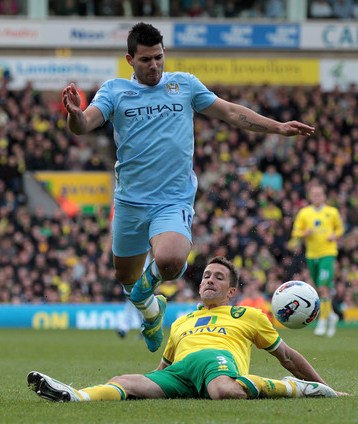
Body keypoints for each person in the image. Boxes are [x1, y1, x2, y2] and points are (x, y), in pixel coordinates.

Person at [61, 22, 315, 352]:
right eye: (145, 60)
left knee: (170, 260)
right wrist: (74, 114)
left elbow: (231, 112)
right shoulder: (114, 91)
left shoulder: (184, 85)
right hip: (130, 202)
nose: (153, 65)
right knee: (125, 275)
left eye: (158, 57)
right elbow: (84, 125)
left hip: (173, 199)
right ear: (130, 59)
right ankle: (152, 311)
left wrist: (278, 127)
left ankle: (144, 293)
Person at [28, 256, 347, 402]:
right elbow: (162, 369)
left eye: (219, 277)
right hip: (181, 373)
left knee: (222, 390)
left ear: (231, 291)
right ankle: (75, 396)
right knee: (124, 381)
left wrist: (325, 385)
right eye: (207, 275)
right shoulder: (181, 321)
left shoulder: (248, 314)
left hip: (218, 363)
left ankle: (296, 388)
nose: (210, 279)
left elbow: (287, 356)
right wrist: (147, 384)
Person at [291, 185, 344, 337]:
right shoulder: (304, 213)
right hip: (311, 254)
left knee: (322, 286)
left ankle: (323, 320)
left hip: (327, 253)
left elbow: (340, 228)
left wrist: (335, 235)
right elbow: (295, 232)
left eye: (319, 193)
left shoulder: (332, 212)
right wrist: (303, 233)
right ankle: (332, 315)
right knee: (319, 287)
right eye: (314, 194)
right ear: (310, 196)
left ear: (324, 196)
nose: (317, 196)